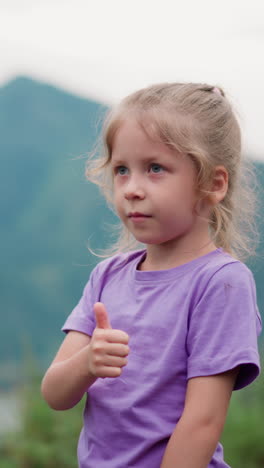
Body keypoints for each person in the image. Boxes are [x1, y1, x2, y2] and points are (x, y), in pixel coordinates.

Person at [41, 82, 262, 468]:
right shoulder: (106, 277)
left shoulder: (221, 282)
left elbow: (202, 423)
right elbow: (56, 395)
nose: (131, 189)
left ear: (214, 183)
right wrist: (87, 363)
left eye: (155, 169)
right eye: (122, 170)